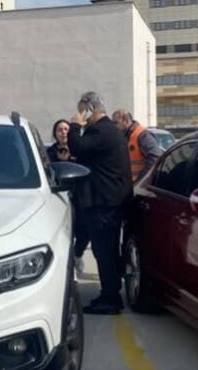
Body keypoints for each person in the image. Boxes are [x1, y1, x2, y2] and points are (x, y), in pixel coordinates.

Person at [68, 92, 133, 315]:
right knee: (107, 250)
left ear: (90, 109)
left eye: (82, 110)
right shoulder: (109, 131)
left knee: (104, 251)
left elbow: (78, 147)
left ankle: (110, 298)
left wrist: (75, 125)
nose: (80, 114)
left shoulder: (101, 131)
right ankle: (111, 294)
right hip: (109, 201)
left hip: (104, 203)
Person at [48, 119, 89, 277]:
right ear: (55, 133)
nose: (63, 132)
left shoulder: (78, 149)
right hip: (58, 196)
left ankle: (78, 253)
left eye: (66, 129)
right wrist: (59, 161)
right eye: (60, 130)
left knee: (83, 229)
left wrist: (69, 160)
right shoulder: (50, 152)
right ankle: (66, 264)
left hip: (79, 195)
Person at [111, 110, 162, 182]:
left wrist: (142, 179)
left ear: (126, 121)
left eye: (116, 123)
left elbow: (155, 157)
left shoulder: (142, 135)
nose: (114, 126)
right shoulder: (124, 136)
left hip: (140, 183)